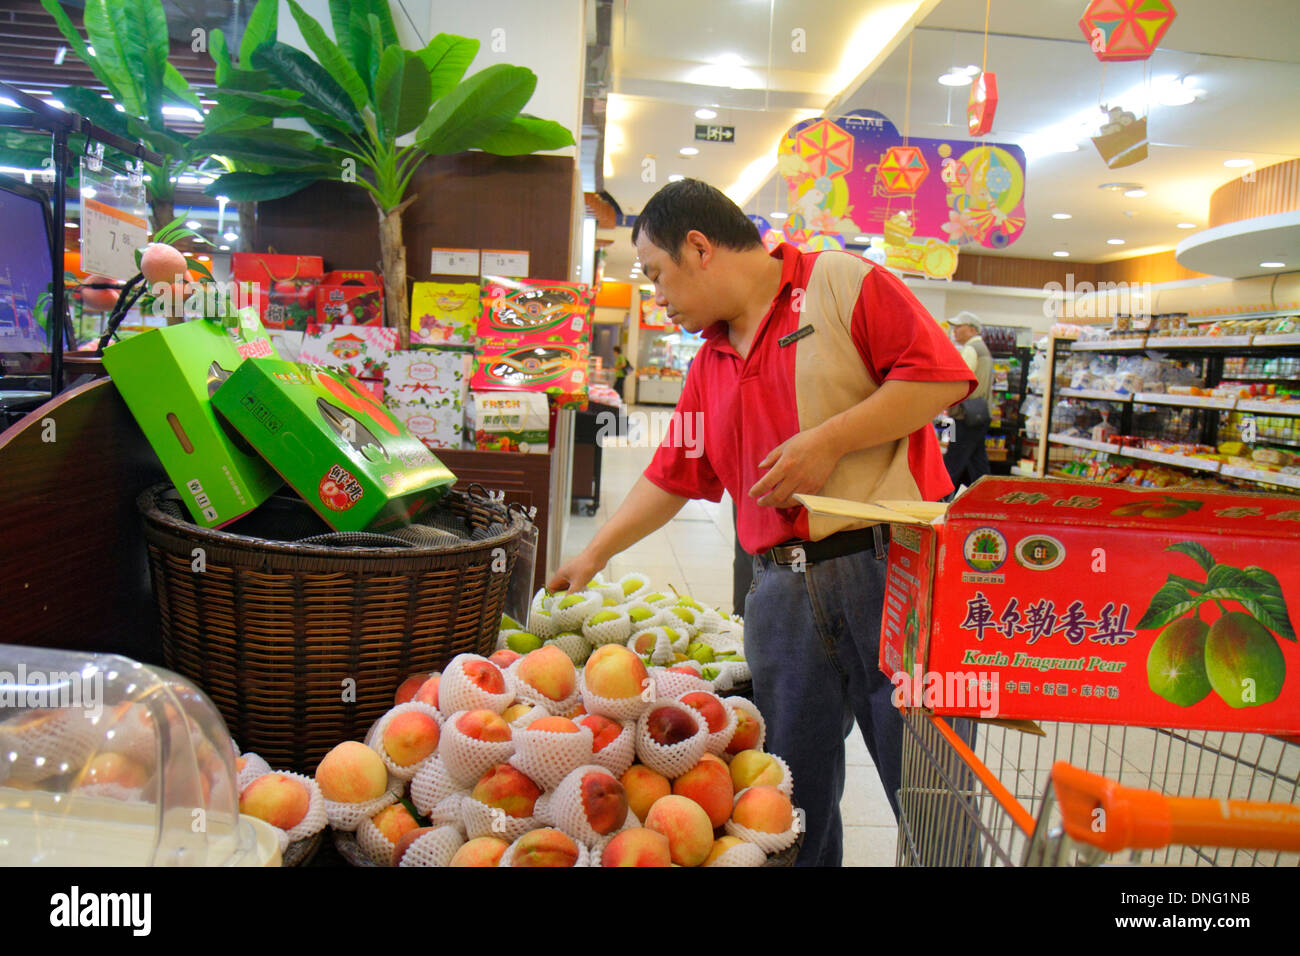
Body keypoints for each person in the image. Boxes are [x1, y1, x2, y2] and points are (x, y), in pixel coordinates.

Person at [546, 179, 974, 866]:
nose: (657, 296)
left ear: (700, 247)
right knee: (787, 801)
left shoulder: (838, 281)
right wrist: (592, 555)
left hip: (892, 573)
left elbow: (939, 379)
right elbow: (672, 473)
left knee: (929, 791)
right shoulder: (710, 360)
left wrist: (829, 441)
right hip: (778, 592)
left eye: (657, 275)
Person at [943, 312, 994, 488]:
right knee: (978, 462)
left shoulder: (971, 349)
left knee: (953, 460)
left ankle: (938, 501)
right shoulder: (984, 349)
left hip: (965, 415)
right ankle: (987, 498)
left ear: (972, 329)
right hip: (979, 414)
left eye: (959, 327)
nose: (955, 331)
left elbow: (960, 380)